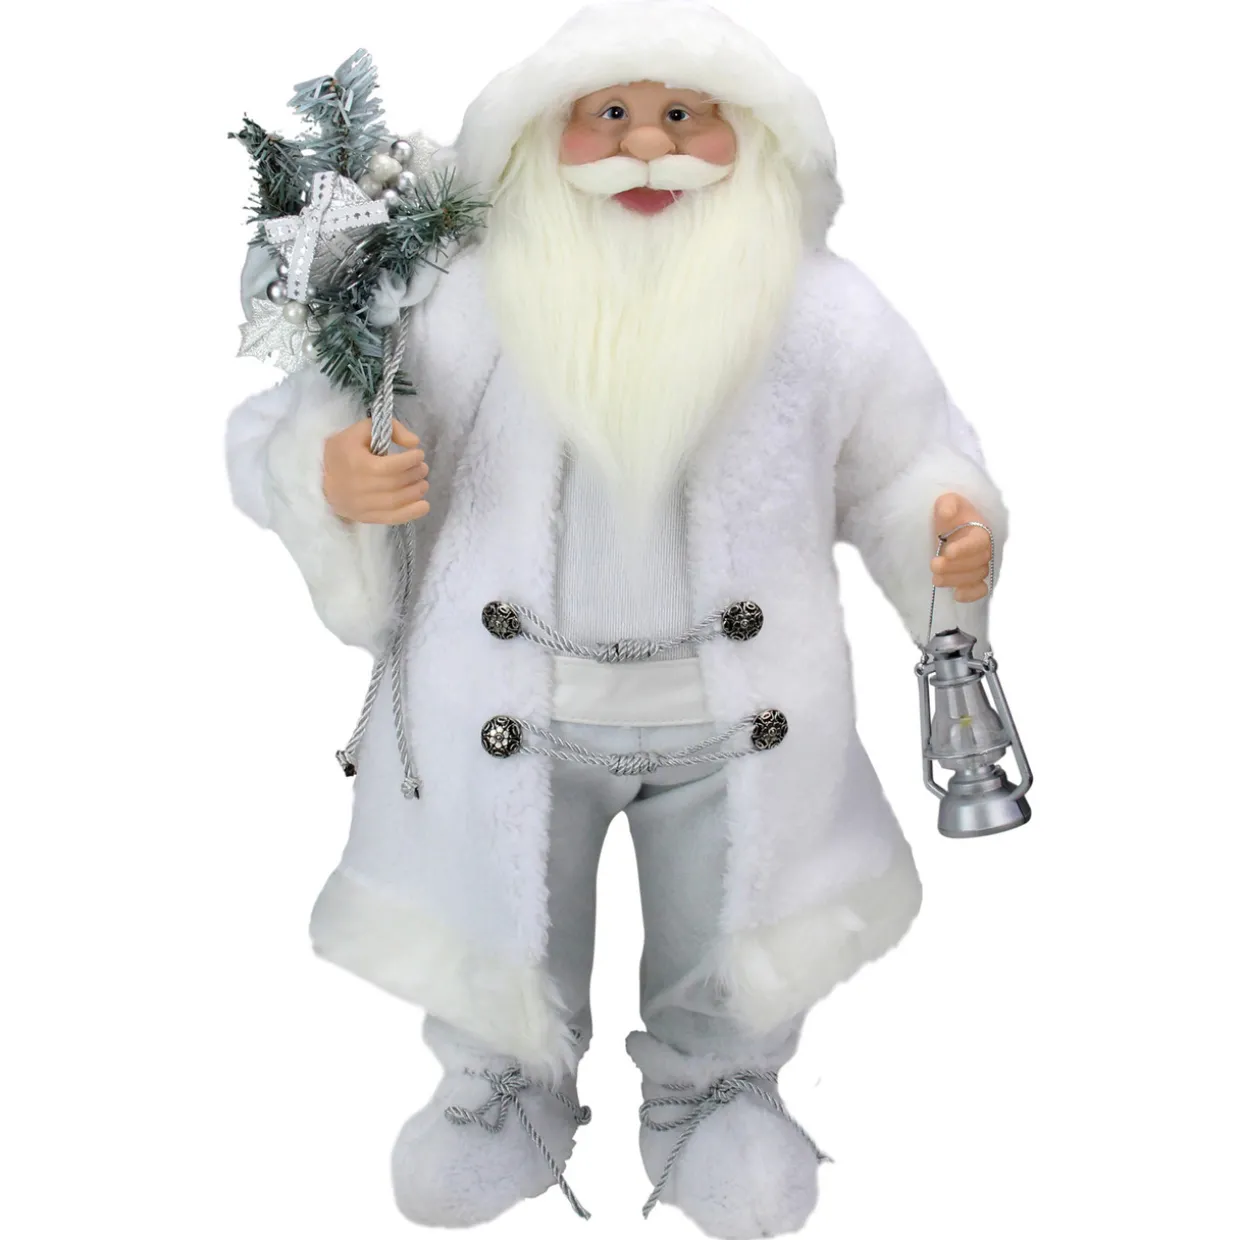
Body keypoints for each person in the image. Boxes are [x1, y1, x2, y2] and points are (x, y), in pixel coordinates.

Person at [225, 2, 1006, 1235]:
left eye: (684, 114)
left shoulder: (823, 314)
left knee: (733, 922)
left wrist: (945, 529)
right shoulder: (459, 297)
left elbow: (910, 458)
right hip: (507, 709)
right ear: (543, 138)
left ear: (753, 137)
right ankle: (501, 1085)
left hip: (737, 722)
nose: (649, 145)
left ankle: (718, 1093)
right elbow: (308, 416)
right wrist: (336, 479)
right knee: (497, 912)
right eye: (611, 115)